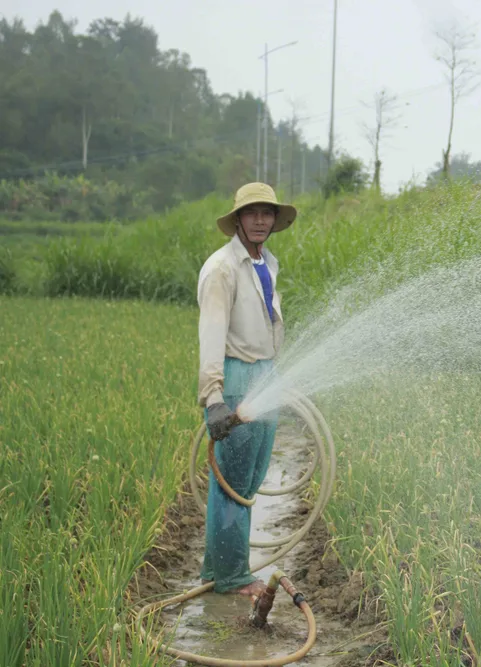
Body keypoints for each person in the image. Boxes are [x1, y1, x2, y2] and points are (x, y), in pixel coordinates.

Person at [197, 182, 296, 597]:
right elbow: (211, 333)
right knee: (233, 485)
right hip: (238, 378)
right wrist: (213, 398)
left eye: (266, 213)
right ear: (237, 219)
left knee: (249, 479)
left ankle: (216, 569)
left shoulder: (265, 263)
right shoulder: (222, 268)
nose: (260, 220)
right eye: (251, 213)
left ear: (274, 220)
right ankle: (233, 578)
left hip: (264, 374)